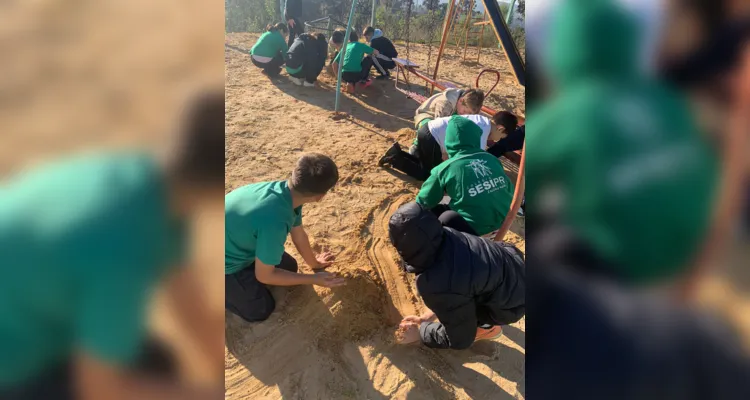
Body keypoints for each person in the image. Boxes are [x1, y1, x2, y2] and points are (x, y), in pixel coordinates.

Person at [0, 91, 225, 399]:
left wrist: (219, 373)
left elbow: (187, 297)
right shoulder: (122, 249)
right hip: (12, 363)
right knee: (152, 371)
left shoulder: (148, 180)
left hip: (33, 304)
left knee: (154, 362)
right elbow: (101, 389)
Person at [526, 0, 718, 284]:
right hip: (689, 247)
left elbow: (525, 186)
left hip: (627, 267)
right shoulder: (667, 100)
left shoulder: (563, 118)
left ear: (564, 50)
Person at [225, 154, 347, 323]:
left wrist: (315, 265)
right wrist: (313, 279)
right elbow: (264, 276)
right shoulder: (275, 220)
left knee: (290, 267)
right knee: (260, 310)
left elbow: (299, 235)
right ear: (320, 196)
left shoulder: (287, 193)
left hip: (233, 242)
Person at [389, 202, 525, 349]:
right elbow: (457, 283)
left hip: (513, 304)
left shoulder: (434, 283)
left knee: (463, 312)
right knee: (450, 217)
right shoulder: (447, 232)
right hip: (513, 262)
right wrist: (426, 317)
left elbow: (460, 340)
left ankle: (487, 328)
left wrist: (421, 331)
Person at [415, 116, 515, 236]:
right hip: (504, 223)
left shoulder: (444, 169)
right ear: (476, 135)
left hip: (476, 230)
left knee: (439, 214)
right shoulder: (491, 159)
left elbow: (424, 201)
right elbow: (509, 188)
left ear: (449, 139)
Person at [379, 112, 513, 181]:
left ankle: (397, 153)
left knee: (429, 166)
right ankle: (394, 158)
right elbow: (471, 161)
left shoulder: (482, 121)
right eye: (500, 137)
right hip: (432, 137)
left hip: (429, 130)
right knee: (428, 175)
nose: (496, 140)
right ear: (500, 129)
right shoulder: (482, 132)